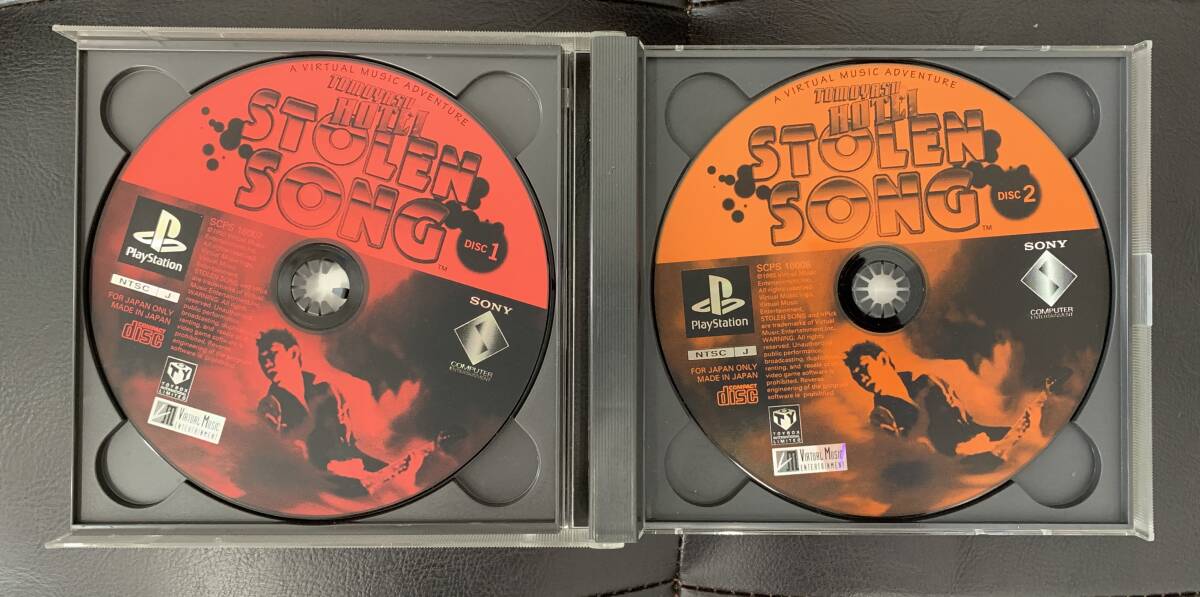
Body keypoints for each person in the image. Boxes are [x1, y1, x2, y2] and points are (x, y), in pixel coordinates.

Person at [843, 341, 1049, 466]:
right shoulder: (880, 416)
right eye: (856, 376)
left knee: (1033, 439)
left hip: (978, 445)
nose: (862, 378)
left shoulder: (927, 381)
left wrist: (1005, 434)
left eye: (864, 368)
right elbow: (905, 456)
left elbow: (966, 423)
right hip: (948, 467)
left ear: (883, 360)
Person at [255, 328, 390, 496]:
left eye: (273, 354)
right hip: (310, 485)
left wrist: (383, 469)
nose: (267, 364)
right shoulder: (269, 407)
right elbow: (279, 465)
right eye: (262, 359)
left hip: (350, 470)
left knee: (397, 479)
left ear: (293, 353)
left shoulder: (327, 390)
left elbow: (348, 445)